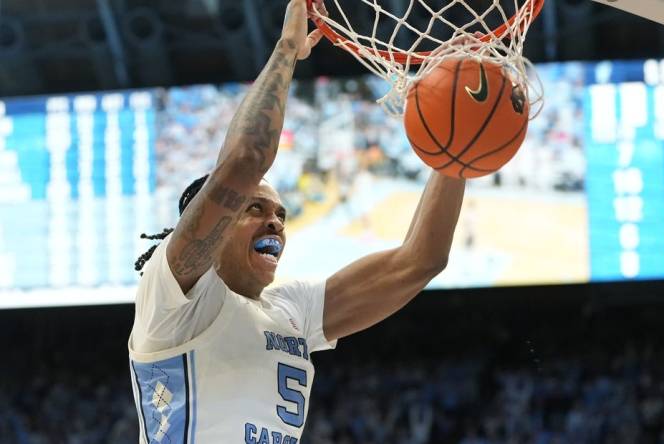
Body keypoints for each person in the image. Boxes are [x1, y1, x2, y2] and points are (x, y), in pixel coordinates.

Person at [127, 0, 466, 442]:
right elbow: (245, 158)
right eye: (255, 208)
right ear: (216, 221)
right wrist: (287, 50)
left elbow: (420, 261)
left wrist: (458, 155)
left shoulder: (291, 310)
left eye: (280, 215)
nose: (275, 223)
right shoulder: (174, 296)